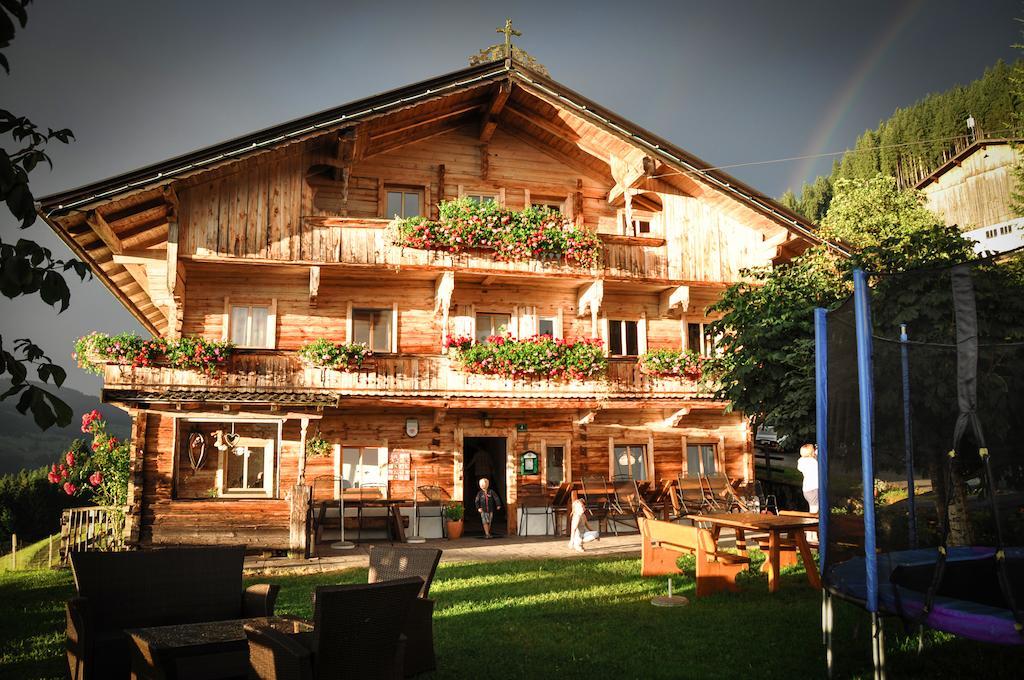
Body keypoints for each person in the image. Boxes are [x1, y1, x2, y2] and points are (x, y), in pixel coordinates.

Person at [797, 443, 819, 513]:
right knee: (814, 509)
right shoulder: (812, 462)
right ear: (811, 453)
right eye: (813, 450)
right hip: (814, 488)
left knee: (813, 507)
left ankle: (812, 521)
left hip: (807, 490)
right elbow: (817, 461)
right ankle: (810, 522)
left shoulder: (802, 461)